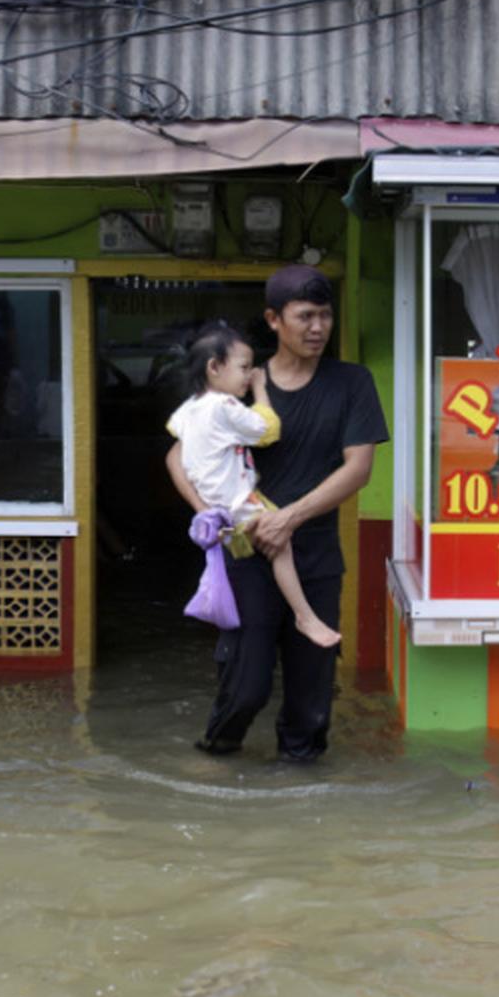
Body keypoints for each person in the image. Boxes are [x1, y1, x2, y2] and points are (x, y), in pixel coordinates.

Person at [165, 265, 387, 762]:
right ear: (273, 319)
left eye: (325, 316)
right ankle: (217, 766)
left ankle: (303, 806)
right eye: (305, 315)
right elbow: (178, 457)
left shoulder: (351, 383)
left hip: (316, 558)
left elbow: (360, 469)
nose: (318, 327)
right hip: (245, 560)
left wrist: (288, 518)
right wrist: (210, 514)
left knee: (312, 706)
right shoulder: (241, 381)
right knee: (245, 689)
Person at [166, 322, 341, 649]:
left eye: (251, 370)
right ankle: (305, 616)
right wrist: (261, 389)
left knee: (246, 562)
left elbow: (176, 443)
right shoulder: (224, 406)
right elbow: (268, 429)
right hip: (238, 503)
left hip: (214, 507)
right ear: (214, 367)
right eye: (244, 368)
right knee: (281, 544)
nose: (249, 374)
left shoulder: (188, 409)